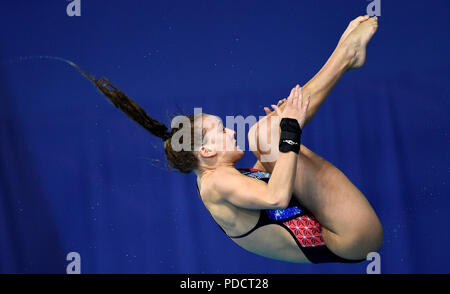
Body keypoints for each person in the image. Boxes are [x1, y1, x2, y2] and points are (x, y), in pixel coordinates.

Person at [81, 15, 382, 263]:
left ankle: (345, 57)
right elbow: (276, 198)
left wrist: (282, 129)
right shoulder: (217, 183)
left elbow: (272, 194)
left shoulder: (216, 181)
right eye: (222, 130)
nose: (230, 131)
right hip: (351, 235)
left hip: (342, 234)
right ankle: (344, 56)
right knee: (266, 133)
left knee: (267, 133)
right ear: (207, 149)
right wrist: (286, 130)